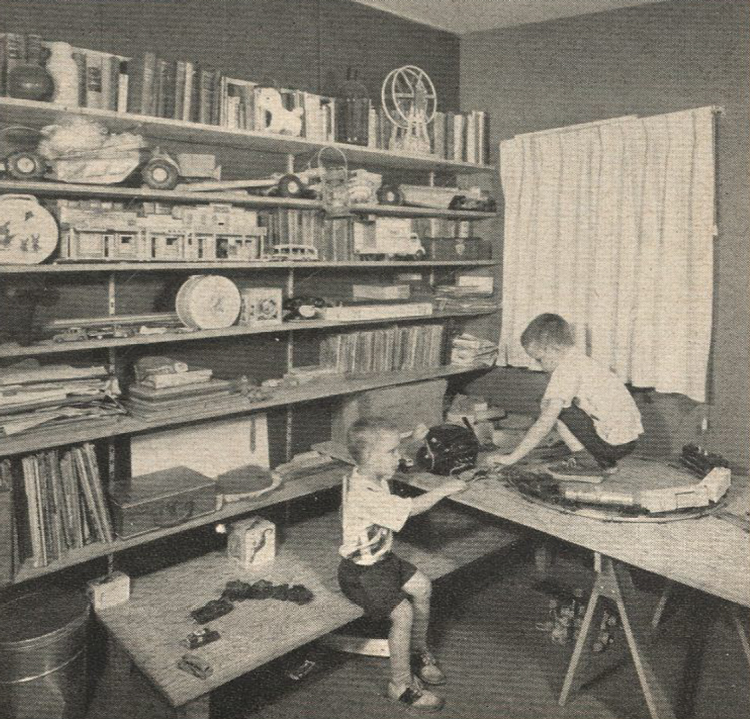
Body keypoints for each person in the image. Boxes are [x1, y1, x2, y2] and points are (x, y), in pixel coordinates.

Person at [338, 416, 468, 712]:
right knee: (403, 613)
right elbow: (413, 508)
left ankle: (419, 652)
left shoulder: (367, 471)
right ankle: (400, 684)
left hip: (383, 560)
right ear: (371, 457)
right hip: (361, 572)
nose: (400, 457)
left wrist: (412, 437)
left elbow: (381, 449)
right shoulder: (363, 493)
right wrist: (444, 489)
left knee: (423, 586)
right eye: (393, 453)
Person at [486, 313, 643, 476]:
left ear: (552, 349)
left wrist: (511, 458)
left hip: (614, 445)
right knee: (556, 404)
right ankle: (605, 464)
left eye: (539, 359)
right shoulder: (580, 360)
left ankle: (585, 461)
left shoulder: (566, 370)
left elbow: (544, 423)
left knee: (554, 409)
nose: (538, 366)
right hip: (628, 441)